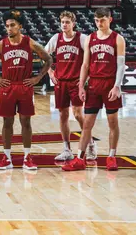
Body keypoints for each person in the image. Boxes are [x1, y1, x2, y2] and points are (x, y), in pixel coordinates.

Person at [0, 10, 52, 170]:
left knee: (26, 122)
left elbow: (48, 59)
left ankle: (27, 157)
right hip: (8, 86)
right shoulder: (1, 44)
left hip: (24, 86)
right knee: (7, 122)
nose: (9, 29)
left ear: (20, 26)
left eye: (12, 25)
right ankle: (6, 158)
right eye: (7, 26)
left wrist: (38, 78)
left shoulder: (30, 42)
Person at [62, 7, 126, 171]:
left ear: (110, 19)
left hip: (110, 83)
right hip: (93, 85)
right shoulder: (90, 38)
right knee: (87, 124)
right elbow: (85, 65)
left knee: (113, 122)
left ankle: (111, 157)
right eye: (97, 20)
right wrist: (81, 86)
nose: (99, 23)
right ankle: (79, 159)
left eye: (102, 20)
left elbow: (120, 65)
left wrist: (117, 86)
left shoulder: (118, 39)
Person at [44, 11, 97, 161]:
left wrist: (84, 79)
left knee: (78, 114)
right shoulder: (56, 38)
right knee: (62, 115)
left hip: (75, 82)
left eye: (67, 22)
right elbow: (44, 55)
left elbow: (90, 59)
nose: (64, 25)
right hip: (60, 82)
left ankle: (91, 143)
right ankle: (66, 149)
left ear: (73, 24)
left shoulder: (82, 38)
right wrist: (50, 72)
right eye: (62, 22)